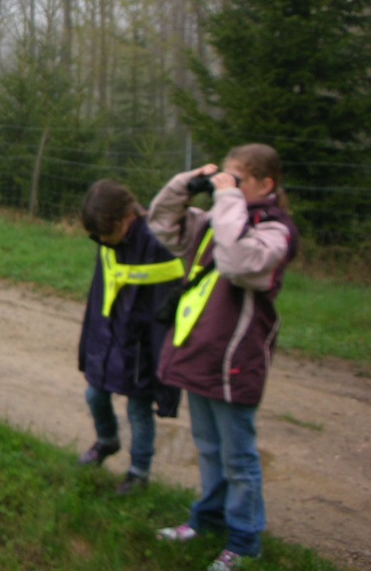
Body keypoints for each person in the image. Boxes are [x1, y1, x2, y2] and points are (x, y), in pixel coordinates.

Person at [148, 144, 299, 571]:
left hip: (236, 357)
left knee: (238, 456)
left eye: (239, 179)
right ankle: (207, 520)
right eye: (225, 178)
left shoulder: (276, 231)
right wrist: (186, 184)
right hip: (200, 350)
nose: (227, 187)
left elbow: (235, 262)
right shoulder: (221, 218)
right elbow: (161, 223)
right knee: (209, 447)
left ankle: (245, 541)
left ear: (265, 185)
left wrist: (227, 198)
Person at [76, 179, 184, 494]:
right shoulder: (106, 242)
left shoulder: (158, 242)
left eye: (107, 233)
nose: (103, 241)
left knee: (138, 409)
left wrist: (165, 365)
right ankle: (107, 441)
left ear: (128, 218)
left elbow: (166, 308)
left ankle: (139, 473)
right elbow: (98, 295)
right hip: (108, 338)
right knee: (94, 394)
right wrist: (89, 343)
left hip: (141, 346)